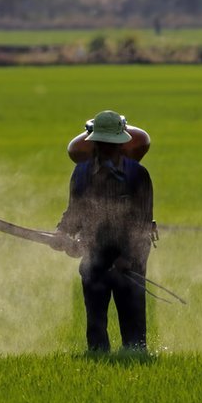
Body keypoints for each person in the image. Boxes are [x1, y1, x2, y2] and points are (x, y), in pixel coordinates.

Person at [51, 110, 156, 352]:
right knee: (95, 318)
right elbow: (74, 211)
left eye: (111, 145)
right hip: (94, 254)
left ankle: (136, 354)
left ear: (121, 145)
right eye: (102, 144)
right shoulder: (81, 173)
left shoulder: (138, 175)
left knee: (132, 317)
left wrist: (126, 259)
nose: (106, 149)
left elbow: (142, 223)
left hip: (130, 258)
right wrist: (62, 233)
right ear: (95, 143)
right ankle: (98, 355)